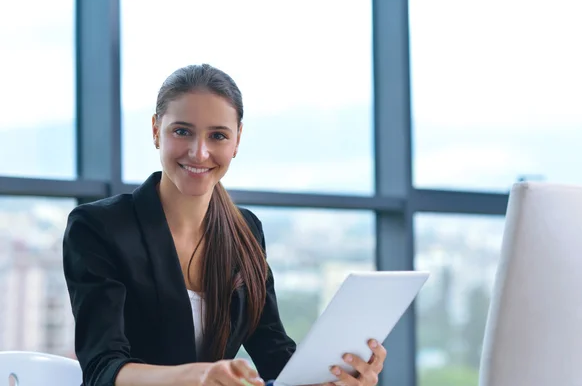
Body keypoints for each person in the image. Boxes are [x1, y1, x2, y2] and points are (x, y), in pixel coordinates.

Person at [62, 64, 387, 386]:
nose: (199, 152)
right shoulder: (98, 227)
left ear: (237, 140)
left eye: (217, 135)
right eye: (182, 131)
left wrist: (335, 378)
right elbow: (102, 369)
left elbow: (273, 351)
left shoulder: (245, 230)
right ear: (155, 130)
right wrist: (198, 376)